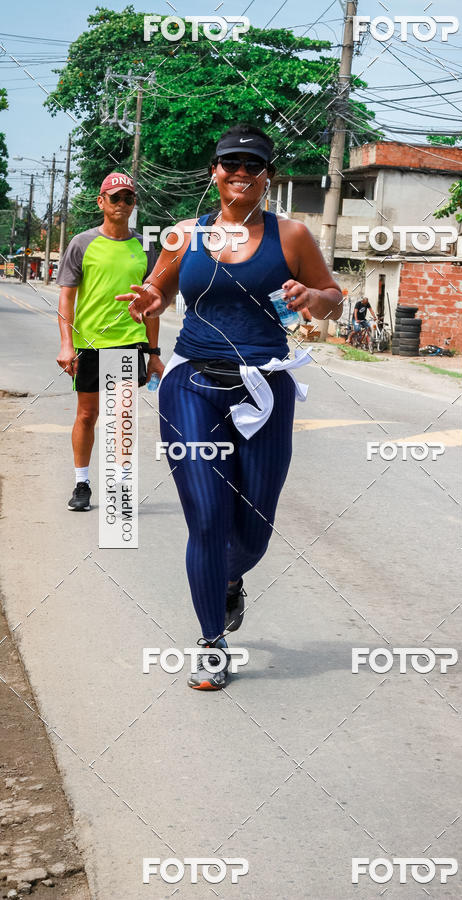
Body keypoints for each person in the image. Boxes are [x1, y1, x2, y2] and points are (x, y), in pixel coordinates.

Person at [117, 124, 342, 690]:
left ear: (267, 177)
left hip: (265, 388)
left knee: (254, 528)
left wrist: (313, 298)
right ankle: (211, 641)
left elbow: (333, 299)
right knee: (209, 521)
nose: (240, 172)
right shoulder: (184, 235)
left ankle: (229, 578)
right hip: (192, 385)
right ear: (215, 172)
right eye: (230, 163)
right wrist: (152, 299)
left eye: (252, 165)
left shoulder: (291, 236)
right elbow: (160, 290)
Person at [56, 173, 163, 511]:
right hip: (88, 344)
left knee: (121, 419)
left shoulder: (145, 247)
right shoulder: (82, 243)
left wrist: (154, 352)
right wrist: (66, 344)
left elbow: (153, 305)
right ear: (101, 201)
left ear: (134, 205)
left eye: (128, 198)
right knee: (87, 415)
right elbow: (66, 299)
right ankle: (81, 483)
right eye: (115, 198)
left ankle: (119, 487)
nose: (122, 204)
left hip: (128, 343)